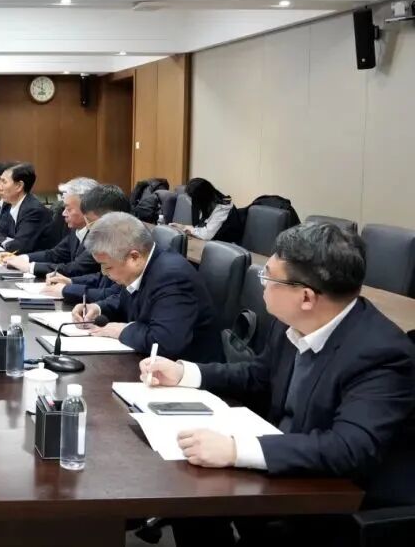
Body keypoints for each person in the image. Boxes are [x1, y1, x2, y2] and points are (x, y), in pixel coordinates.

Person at [145, 223, 415, 546]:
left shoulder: (381, 354)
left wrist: (236, 450)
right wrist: (185, 373)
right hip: (287, 463)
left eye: (269, 277)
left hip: (337, 499)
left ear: (306, 297)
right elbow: (258, 375)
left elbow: (348, 448)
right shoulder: (292, 322)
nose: (262, 285)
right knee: (187, 491)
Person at [72, 212, 224, 362]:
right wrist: (97, 308)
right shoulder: (144, 264)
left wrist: (123, 330)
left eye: (107, 267)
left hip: (186, 369)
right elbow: (126, 301)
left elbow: (165, 342)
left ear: (134, 257)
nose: (104, 273)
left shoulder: (173, 277)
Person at [38, 183, 132, 298]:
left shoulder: (130, 245)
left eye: (90, 222)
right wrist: (70, 281)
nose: (88, 228)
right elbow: (104, 279)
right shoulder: (113, 239)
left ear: (112, 218)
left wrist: (67, 290)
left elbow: (115, 294)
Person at [1, 177, 100, 278]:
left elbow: (75, 269)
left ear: (88, 209)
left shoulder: (100, 235)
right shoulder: (76, 230)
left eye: (69, 209)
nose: (64, 213)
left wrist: (29, 267)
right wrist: (21, 258)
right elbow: (54, 254)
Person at [0, 162, 57, 253]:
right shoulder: (9, 204)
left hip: (32, 259)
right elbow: (1, 233)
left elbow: (20, 246)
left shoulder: (34, 210)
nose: (0, 188)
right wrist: (8, 242)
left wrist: (6, 243)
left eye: (4, 182)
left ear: (19, 186)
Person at [169, 178, 241, 241]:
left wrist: (188, 228)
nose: (190, 202)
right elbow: (201, 227)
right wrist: (183, 227)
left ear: (202, 198)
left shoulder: (223, 207)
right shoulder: (207, 204)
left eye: (192, 199)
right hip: (210, 242)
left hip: (225, 246)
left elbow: (206, 235)